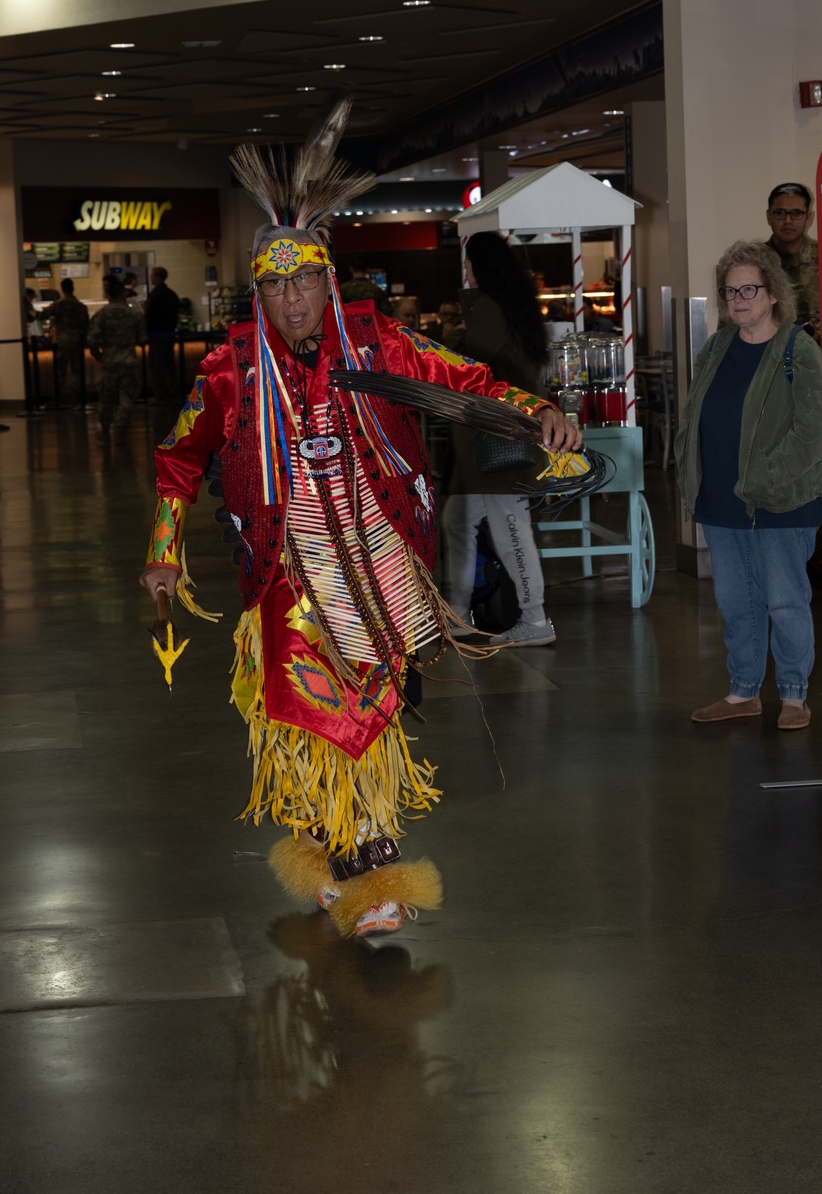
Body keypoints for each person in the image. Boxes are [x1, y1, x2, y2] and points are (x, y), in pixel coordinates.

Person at [138, 98, 581, 940]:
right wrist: (166, 549)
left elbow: (470, 383)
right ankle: (366, 872)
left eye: (306, 279)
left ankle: (335, 855)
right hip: (288, 572)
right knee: (318, 719)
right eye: (276, 284)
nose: (293, 298)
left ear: (327, 280)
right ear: (259, 293)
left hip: (381, 561)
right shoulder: (231, 371)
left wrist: (537, 413)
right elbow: (178, 459)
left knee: (372, 708)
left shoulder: (380, 347)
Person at [676, 240, 822, 729]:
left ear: (773, 292)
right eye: (729, 290)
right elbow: (694, 411)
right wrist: (688, 467)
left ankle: (795, 695)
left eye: (748, 289)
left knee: (784, 599)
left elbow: (812, 432)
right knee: (735, 601)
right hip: (720, 497)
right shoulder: (717, 346)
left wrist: (763, 476)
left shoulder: (798, 348)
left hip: (780, 499)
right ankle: (743, 692)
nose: (738, 299)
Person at [442, 231, 557, 646]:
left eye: (468, 263)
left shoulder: (489, 308)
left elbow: (468, 367)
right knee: (457, 522)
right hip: (493, 442)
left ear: (480, 265)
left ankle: (535, 619)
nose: (465, 271)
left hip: (493, 445)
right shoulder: (512, 304)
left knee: (511, 530)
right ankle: (456, 614)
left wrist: (450, 336)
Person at [88, 274, 145, 440]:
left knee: (106, 398)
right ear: (123, 293)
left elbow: (92, 340)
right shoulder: (134, 314)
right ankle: (120, 430)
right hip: (129, 361)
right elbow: (142, 339)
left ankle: (105, 431)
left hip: (109, 362)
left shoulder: (102, 314)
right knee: (126, 398)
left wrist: (99, 356)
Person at [765, 181, 819, 330]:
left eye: (796, 213)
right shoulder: (753, 261)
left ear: (808, 217)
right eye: (780, 213)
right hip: (766, 351)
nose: (788, 220)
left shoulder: (820, 257)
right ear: (769, 216)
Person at [40, 278, 89, 407]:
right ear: (73, 287)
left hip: (62, 341)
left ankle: (56, 399)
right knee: (77, 372)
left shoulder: (59, 304)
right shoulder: (80, 306)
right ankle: (77, 399)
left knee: (59, 371)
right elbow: (86, 325)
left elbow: (41, 315)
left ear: (62, 288)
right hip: (77, 341)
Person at [144, 266, 181, 404]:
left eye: (152, 276)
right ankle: (173, 393)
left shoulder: (155, 295)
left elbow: (149, 315)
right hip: (169, 334)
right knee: (169, 365)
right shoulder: (171, 294)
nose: (151, 278)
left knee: (157, 366)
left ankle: (160, 396)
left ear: (158, 277)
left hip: (156, 335)